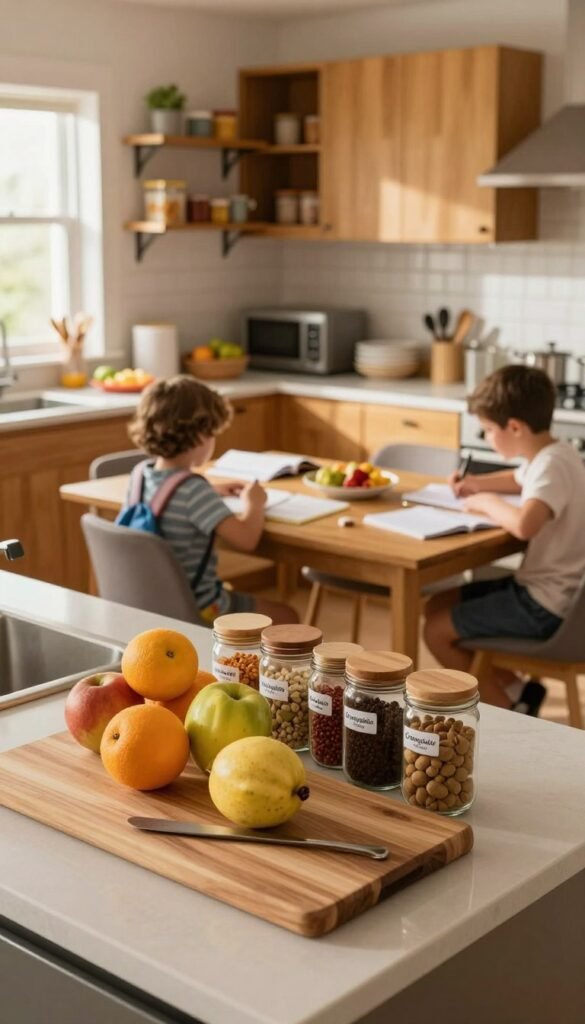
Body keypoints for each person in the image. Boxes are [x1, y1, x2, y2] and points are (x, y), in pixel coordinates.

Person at [423, 364, 585, 715]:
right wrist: (477, 484)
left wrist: (485, 503)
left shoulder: (551, 466)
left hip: (544, 605)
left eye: (488, 430)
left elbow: (526, 525)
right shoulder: (556, 454)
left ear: (514, 427)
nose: (486, 438)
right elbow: (519, 479)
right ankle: (517, 690)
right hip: (551, 594)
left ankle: (510, 714)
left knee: (435, 632)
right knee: (436, 604)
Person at [127, 375, 298, 625]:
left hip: (148, 603)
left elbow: (166, 500)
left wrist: (210, 491)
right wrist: (255, 504)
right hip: (199, 608)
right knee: (288, 617)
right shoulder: (194, 491)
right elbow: (247, 539)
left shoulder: (140, 474)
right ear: (199, 437)